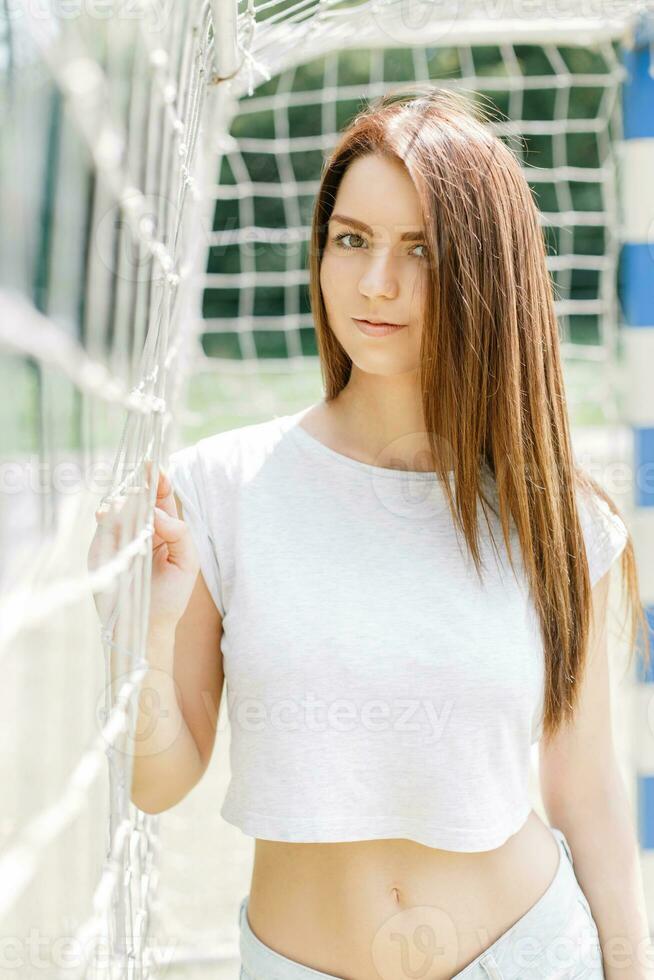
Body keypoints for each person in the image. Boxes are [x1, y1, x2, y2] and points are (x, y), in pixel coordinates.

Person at [117, 86, 652, 979]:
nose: (375, 283)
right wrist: (152, 627)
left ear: (486, 273)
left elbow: (587, 791)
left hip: (529, 951)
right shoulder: (222, 488)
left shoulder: (562, 518)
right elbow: (156, 779)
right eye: (351, 240)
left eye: (422, 252)